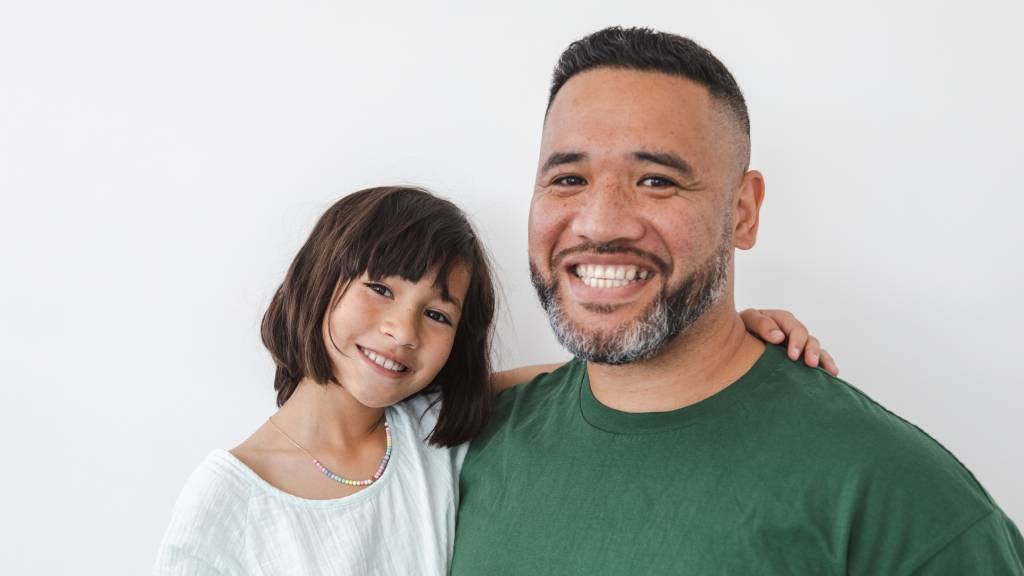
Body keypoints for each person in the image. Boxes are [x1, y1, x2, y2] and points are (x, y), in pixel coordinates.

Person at [451, 27, 1024, 574]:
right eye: (568, 179)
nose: (600, 224)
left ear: (743, 213)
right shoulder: (467, 441)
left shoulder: (897, 493)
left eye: (656, 181)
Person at [153, 186, 827, 575]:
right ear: (315, 279)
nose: (402, 330)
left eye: (437, 313)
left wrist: (729, 332)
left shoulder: (428, 434)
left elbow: (603, 369)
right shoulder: (230, 499)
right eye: (379, 289)